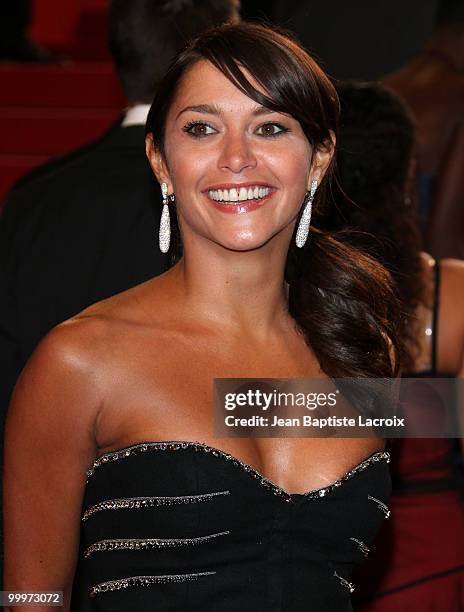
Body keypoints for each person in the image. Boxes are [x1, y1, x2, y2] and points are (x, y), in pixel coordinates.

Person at [4, 23, 400, 611]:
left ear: (318, 160)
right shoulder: (83, 361)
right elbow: (32, 603)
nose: (237, 158)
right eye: (202, 129)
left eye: (270, 128)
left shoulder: (357, 348)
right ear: (161, 161)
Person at [320, 80, 464, 610]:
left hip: (319, 557)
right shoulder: (453, 299)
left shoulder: (284, 299)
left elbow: (244, 411)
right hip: (437, 566)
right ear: (407, 175)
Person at [383, 0, 464, 259]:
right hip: (424, 281)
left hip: (356, 271)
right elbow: (443, 234)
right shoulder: (459, 96)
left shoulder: (381, 91)